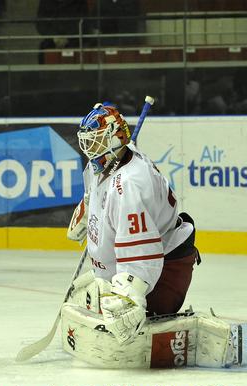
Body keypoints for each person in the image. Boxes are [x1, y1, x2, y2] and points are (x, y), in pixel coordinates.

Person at [67, 102, 199, 345]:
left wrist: (129, 296)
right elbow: (95, 195)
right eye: (88, 142)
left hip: (162, 274)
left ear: (116, 138)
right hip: (134, 267)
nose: (90, 148)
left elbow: (142, 253)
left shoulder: (130, 184)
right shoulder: (103, 163)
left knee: (117, 315)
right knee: (84, 294)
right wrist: (88, 212)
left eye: (96, 141)